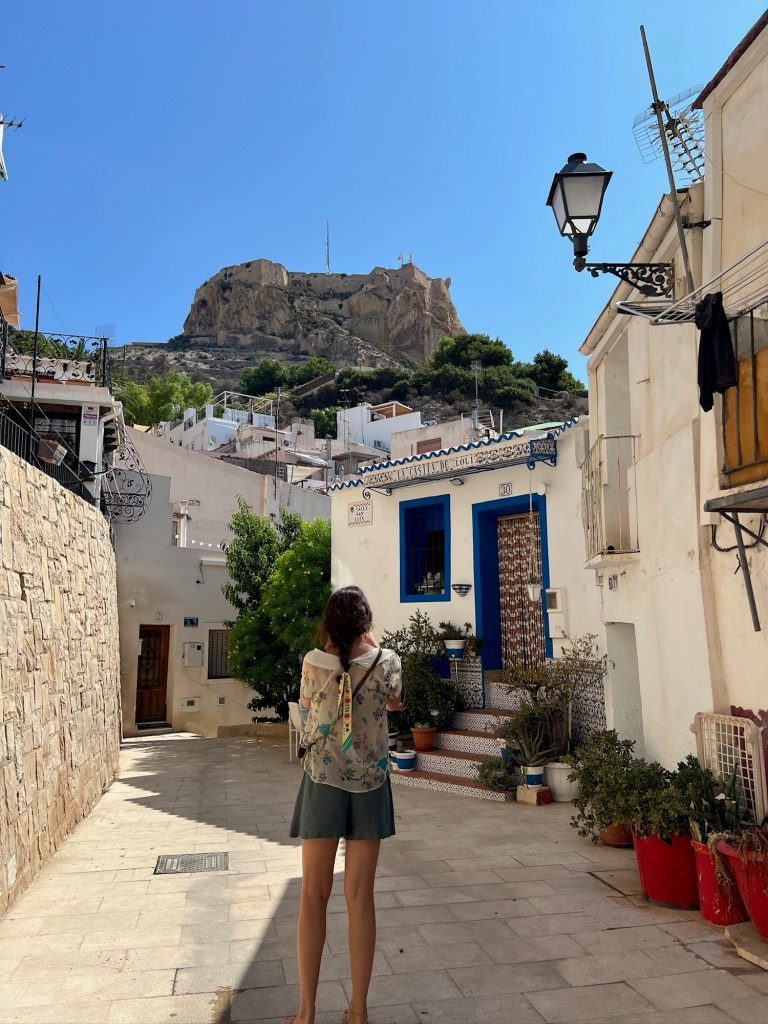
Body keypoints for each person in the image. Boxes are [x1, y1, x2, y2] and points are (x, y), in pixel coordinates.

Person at [284, 586, 402, 1024]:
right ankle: (358, 1011)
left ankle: (306, 1013)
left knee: (313, 895)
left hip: (322, 781)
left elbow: (306, 710)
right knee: (360, 896)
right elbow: (395, 702)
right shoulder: (388, 662)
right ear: (366, 622)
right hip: (370, 785)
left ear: (329, 623)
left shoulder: (313, 663)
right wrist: (375, 647)